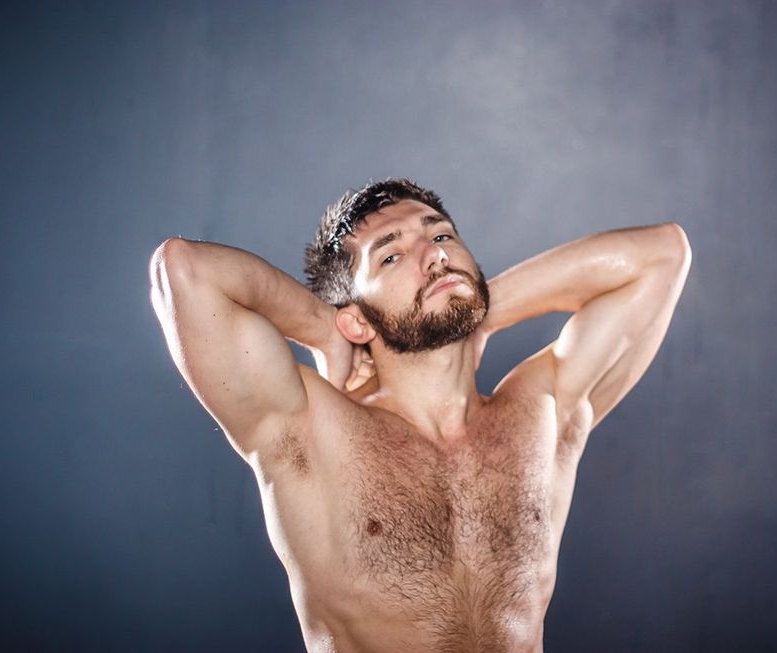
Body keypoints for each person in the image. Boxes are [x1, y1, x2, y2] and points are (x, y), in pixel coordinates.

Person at [149, 178, 691, 653]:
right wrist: (323, 331)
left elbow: (663, 254)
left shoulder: (543, 414)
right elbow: (184, 270)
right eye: (391, 255)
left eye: (441, 236)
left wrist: (481, 307)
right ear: (357, 321)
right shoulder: (310, 430)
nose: (433, 255)